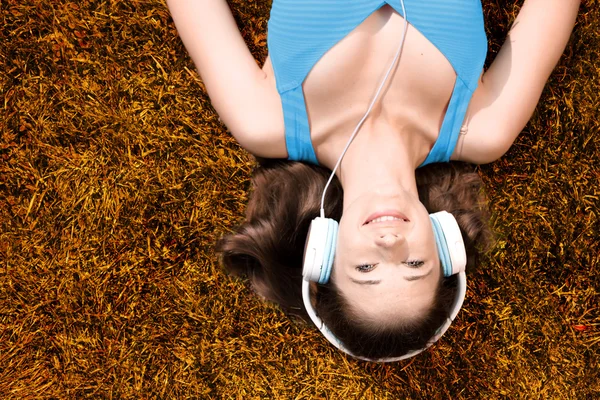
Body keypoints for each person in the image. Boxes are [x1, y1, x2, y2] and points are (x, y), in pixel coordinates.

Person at [167, 0, 580, 360]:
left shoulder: (262, 121)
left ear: (324, 252)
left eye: (366, 268)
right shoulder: (485, 129)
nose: (390, 245)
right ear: (443, 245)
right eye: (415, 265)